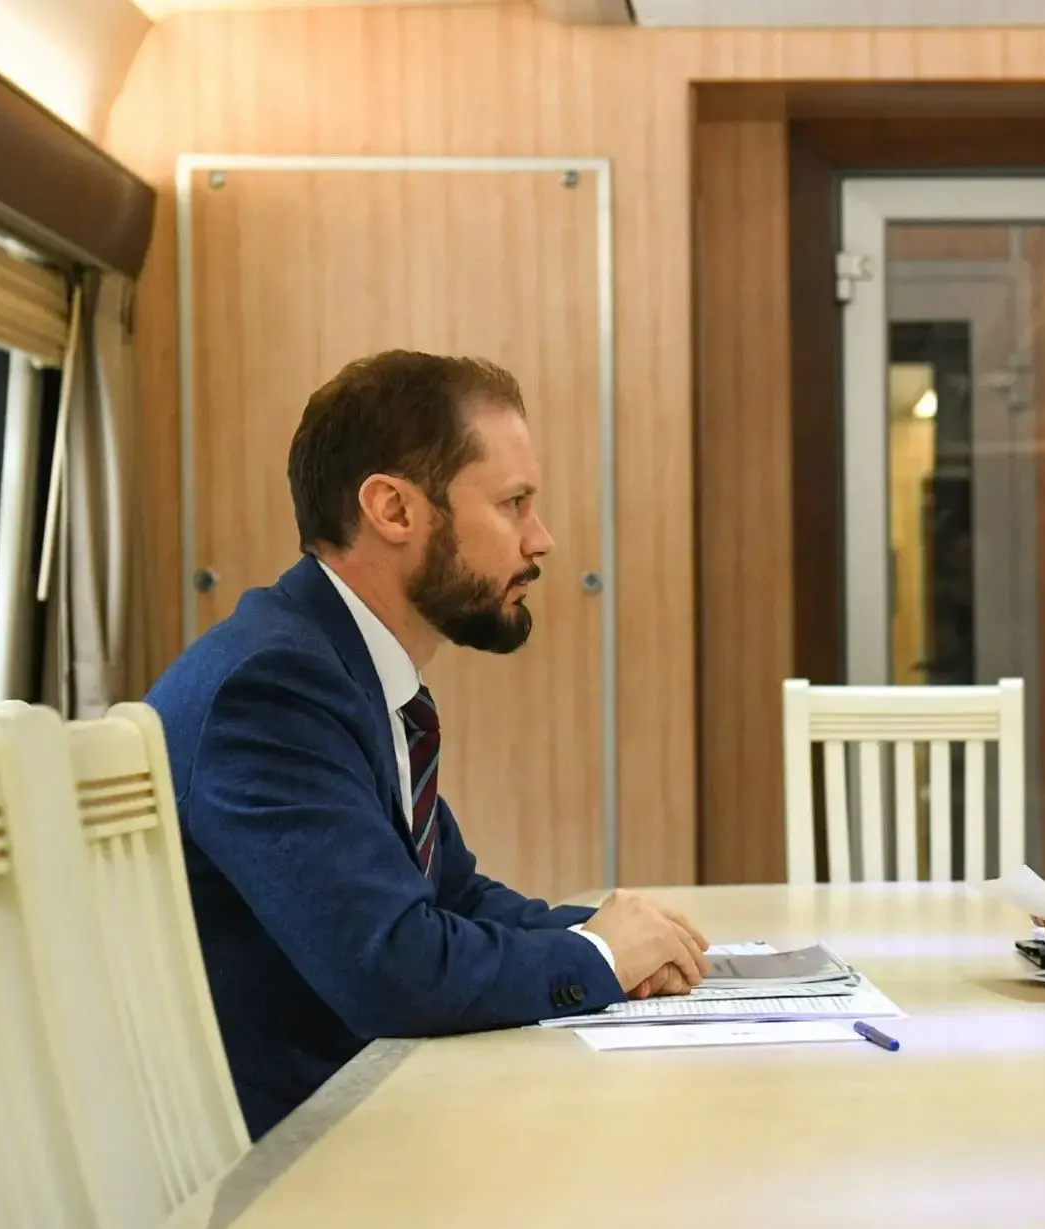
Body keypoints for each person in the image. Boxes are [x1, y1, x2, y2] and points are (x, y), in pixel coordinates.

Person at [148, 351, 711, 1139]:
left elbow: (452, 897)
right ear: (393, 509)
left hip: (358, 1115)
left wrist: (619, 937)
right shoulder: (271, 689)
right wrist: (599, 956)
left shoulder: (336, 666)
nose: (543, 539)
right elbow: (393, 967)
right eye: (514, 503)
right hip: (295, 1157)